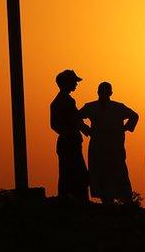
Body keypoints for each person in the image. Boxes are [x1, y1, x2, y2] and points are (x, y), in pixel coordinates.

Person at [80, 82, 139, 205]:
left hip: (114, 148)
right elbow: (77, 117)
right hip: (98, 147)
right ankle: (107, 202)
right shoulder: (91, 107)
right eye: (102, 91)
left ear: (110, 93)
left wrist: (125, 128)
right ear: (98, 92)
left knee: (118, 173)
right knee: (100, 173)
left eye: (106, 91)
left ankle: (125, 201)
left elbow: (134, 116)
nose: (104, 94)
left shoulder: (118, 107)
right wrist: (86, 130)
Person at [50, 69, 90, 202]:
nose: (76, 84)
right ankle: (77, 200)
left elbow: (56, 124)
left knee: (67, 172)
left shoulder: (58, 101)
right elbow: (74, 119)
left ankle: (69, 199)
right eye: (74, 82)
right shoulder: (66, 101)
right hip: (70, 141)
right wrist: (81, 129)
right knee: (76, 172)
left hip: (66, 140)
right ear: (67, 83)